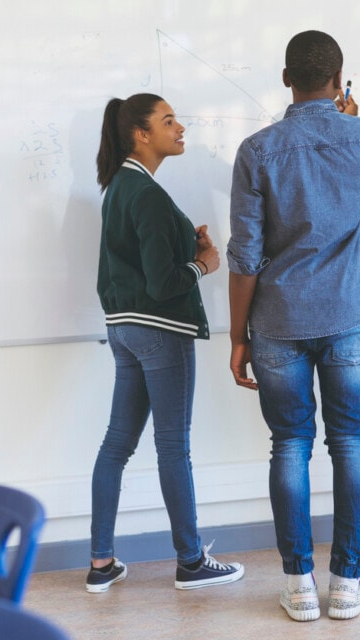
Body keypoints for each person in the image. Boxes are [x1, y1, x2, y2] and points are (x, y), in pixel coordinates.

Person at [227, 31, 360, 621]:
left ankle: (298, 586)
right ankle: (346, 584)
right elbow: (355, 143)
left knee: (289, 444)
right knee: (351, 441)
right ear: (340, 80)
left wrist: (238, 335)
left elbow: (244, 257)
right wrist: (347, 113)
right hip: (347, 317)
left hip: (277, 322)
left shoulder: (256, 150)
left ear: (285, 77)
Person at [87, 93, 245, 594]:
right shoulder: (149, 194)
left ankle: (101, 563)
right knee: (173, 446)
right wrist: (203, 264)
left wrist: (186, 245)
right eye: (169, 121)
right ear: (141, 133)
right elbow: (162, 283)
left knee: (116, 445)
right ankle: (191, 561)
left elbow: (138, 263)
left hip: (124, 331)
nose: (181, 128)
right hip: (159, 331)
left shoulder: (119, 186)